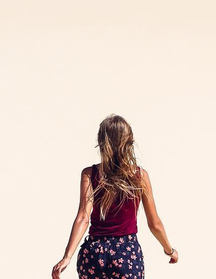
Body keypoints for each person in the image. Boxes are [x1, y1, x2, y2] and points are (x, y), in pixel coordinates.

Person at [52, 114, 178, 278]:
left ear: (101, 142)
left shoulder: (90, 174)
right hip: (126, 255)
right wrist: (169, 250)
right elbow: (154, 224)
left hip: (94, 254)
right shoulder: (139, 176)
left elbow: (83, 217)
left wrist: (67, 257)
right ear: (129, 142)